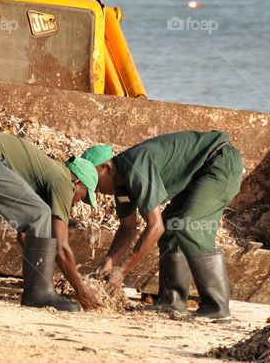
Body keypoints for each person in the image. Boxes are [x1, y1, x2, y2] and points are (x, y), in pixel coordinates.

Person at [81, 131, 244, 320]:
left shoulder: (136, 167)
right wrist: (107, 264)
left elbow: (155, 227)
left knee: (188, 224)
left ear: (107, 167)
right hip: (198, 173)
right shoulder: (120, 186)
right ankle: (171, 301)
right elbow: (127, 228)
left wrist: (123, 271)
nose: (94, 187)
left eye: (94, 178)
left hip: (220, 162)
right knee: (171, 226)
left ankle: (217, 307)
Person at [0, 130, 101, 312]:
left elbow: (24, 236)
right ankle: (39, 295)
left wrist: (42, 274)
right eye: (82, 197)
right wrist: (82, 291)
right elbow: (61, 246)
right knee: (40, 214)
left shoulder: (43, 173)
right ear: (77, 183)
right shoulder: (63, 180)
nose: (76, 203)